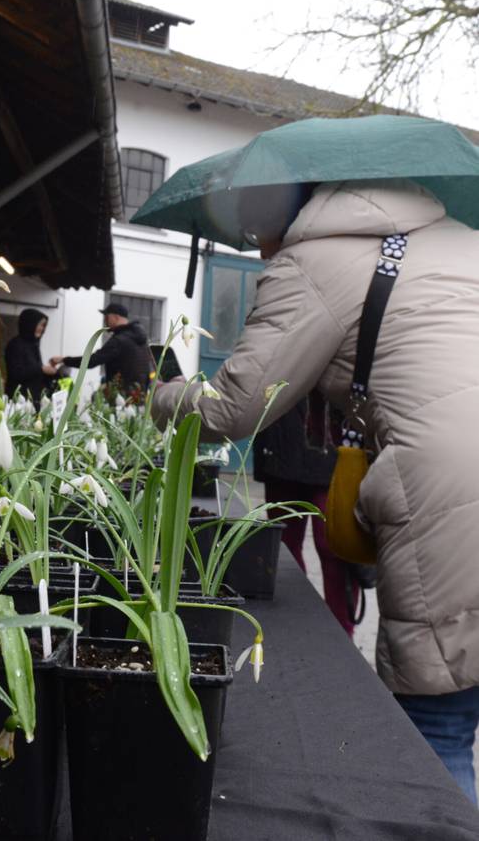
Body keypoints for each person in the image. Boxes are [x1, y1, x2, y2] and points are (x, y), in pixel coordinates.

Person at [151, 178, 479, 803]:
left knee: (438, 730)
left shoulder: (314, 260)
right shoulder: (459, 239)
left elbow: (235, 407)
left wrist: (160, 397)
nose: (260, 252)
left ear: (283, 217)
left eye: (256, 234)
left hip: (454, 494)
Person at [253, 397, 359, 636]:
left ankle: (340, 638)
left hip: (334, 446)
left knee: (334, 548)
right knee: (285, 551)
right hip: (282, 445)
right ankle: (294, 628)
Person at [51, 303, 153, 395]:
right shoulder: (140, 338)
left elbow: (91, 361)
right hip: (139, 395)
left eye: (107, 317)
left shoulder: (119, 340)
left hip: (121, 399)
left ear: (116, 317)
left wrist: (64, 360)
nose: (105, 322)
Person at [5, 308, 56, 405]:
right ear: (30, 324)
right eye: (40, 325)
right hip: (19, 401)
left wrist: (50, 372)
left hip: (33, 401)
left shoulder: (34, 345)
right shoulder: (15, 345)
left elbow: (34, 373)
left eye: (44, 326)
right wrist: (41, 369)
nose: (42, 329)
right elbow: (15, 373)